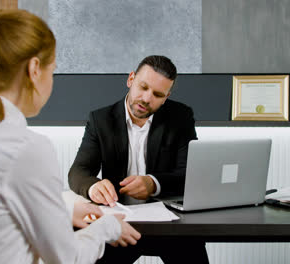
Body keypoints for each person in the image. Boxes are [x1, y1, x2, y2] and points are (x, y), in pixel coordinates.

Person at [0, 9, 140, 264]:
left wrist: (64, 210)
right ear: (34, 69)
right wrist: (108, 227)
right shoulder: (25, 149)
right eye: (53, 70)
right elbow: (67, 257)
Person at [68, 55, 209, 263]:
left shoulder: (181, 117)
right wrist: (93, 187)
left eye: (158, 94)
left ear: (166, 96)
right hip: (120, 221)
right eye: (143, 87)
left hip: (171, 225)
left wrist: (153, 184)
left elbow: (188, 173)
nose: (146, 98)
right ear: (131, 79)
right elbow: (78, 171)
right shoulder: (100, 120)